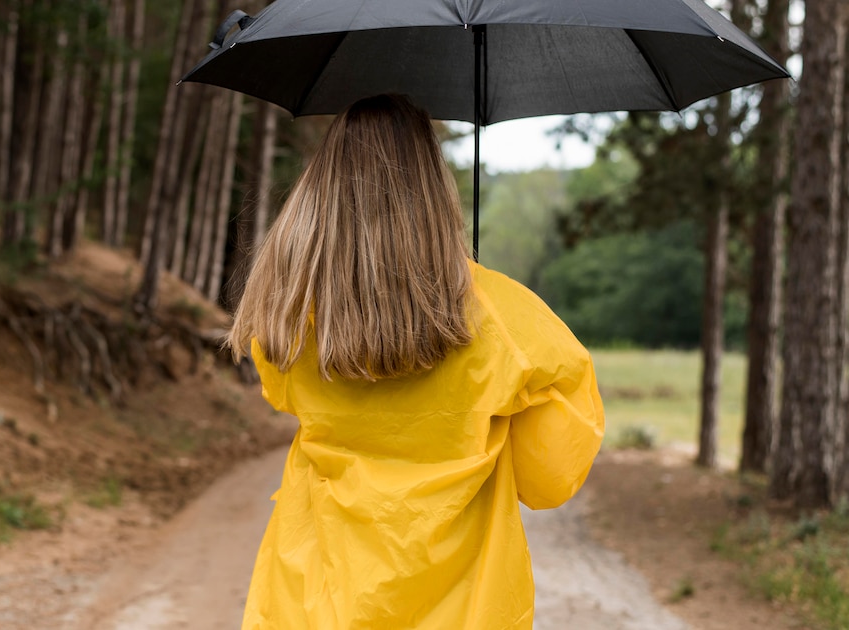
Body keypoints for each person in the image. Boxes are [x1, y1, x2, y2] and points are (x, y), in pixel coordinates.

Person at [226, 94, 605, 629]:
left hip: (312, 601)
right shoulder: (502, 317)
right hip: (466, 609)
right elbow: (550, 479)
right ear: (432, 188)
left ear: (323, 190)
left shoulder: (289, 313)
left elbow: (281, 390)